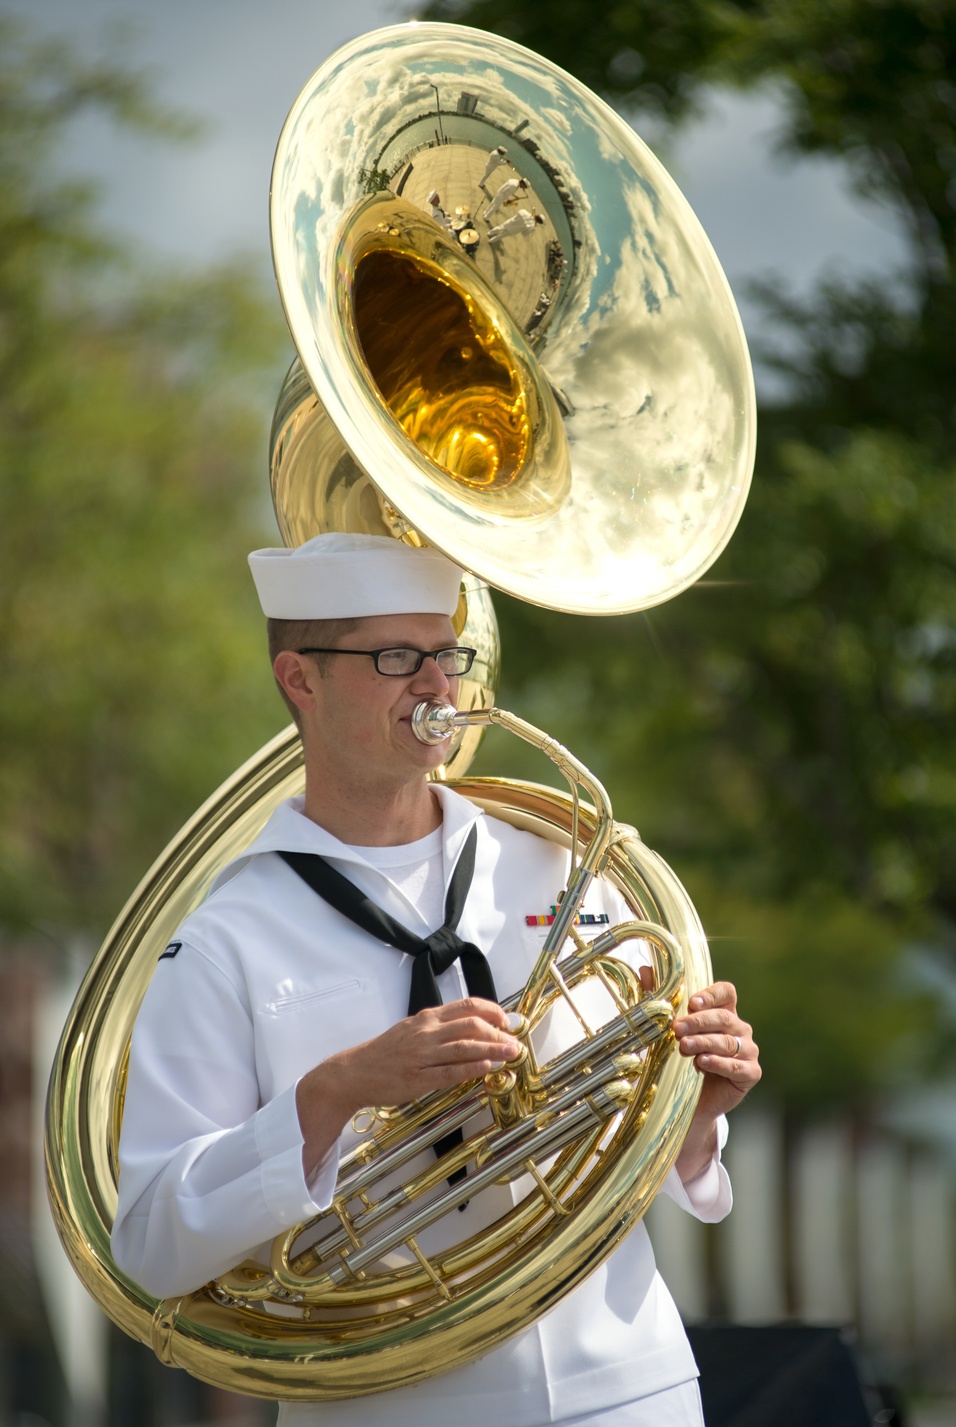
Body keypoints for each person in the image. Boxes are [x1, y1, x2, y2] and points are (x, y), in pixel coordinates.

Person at [112, 533, 762, 1427]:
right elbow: (150, 1241)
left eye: (445, 654)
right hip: (395, 1406)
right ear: (300, 679)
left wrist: (695, 1115)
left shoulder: (565, 867)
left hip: (628, 1386)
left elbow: (618, 1135)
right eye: (395, 657)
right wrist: (335, 1091)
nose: (436, 686)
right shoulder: (226, 937)